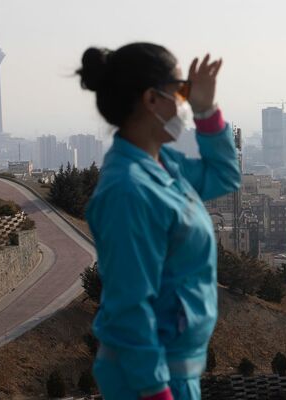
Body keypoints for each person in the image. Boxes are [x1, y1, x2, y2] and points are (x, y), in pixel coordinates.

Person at [77, 43, 240, 400]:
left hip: (174, 374)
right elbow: (128, 306)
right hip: (149, 382)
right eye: (180, 92)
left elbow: (225, 176)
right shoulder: (128, 190)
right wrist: (155, 391)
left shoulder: (164, 166)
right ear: (152, 100)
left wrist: (206, 110)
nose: (185, 101)